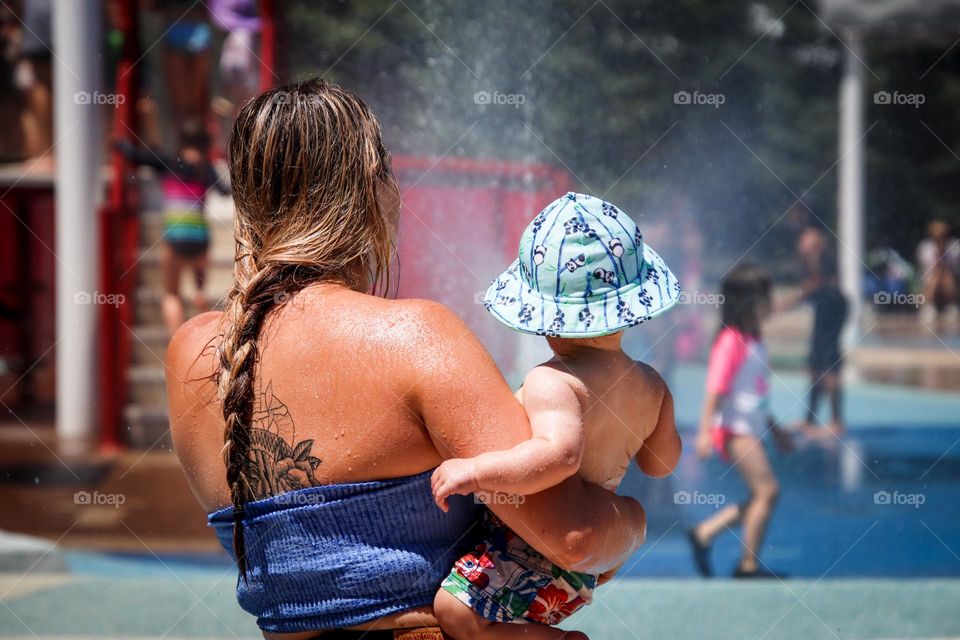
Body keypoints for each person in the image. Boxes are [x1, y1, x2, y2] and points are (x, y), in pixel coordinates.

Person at [165, 79, 648, 639]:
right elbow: (575, 537)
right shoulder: (416, 336)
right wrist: (635, 520)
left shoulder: (193, 354)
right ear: (373, 188)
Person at [429, 193, 682, 639]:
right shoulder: (652, 385)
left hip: (528, 551)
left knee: (455, 613)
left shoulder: (554, 382)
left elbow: (559, 456)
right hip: (584, 571)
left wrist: (475, 470)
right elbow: (661, 465)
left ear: (544, 321)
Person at [689, 264, 793, 579]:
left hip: (751, 426)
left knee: (761, 495)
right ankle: (747, 566)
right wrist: (705, 431)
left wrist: (776, 429)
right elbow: (716, 389)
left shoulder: (753, 339)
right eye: (765, 299)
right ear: (747, 303)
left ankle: (704, 533)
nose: (770, 305)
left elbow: (756, 394)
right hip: (733, 430)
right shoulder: (731, 341)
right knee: (768, 491)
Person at [117, 120, 228, 335]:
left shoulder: (168, 161)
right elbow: (224, 191)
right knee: (200, 290)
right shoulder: (206, 168)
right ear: (205, 144)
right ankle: (206, 338)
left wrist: (119, 143)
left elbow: (136, 155)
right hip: (200, 236)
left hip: (175, 235)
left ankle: (178, 345)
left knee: (171, 295)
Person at [786, 225, 848, 437]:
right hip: (824, 305)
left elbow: (816, 285)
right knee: (815, 361)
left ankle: (836, 421)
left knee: (829, 361)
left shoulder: (822, 256)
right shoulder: (810, 259)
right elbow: (810, 287)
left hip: (833, 305)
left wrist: (787, 304)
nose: (801, 244)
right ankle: (809, 420)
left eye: (807, 241)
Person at [917, 219, 959, 327]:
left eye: (942, 235)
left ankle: (951, 306)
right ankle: (928, 306)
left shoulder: (954, 246)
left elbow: (952, 267)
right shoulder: (925, 247)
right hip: (930, 277)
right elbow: (926, 268)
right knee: (933, 279)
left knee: (948, 278)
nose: (940, 238)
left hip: (949, 276)